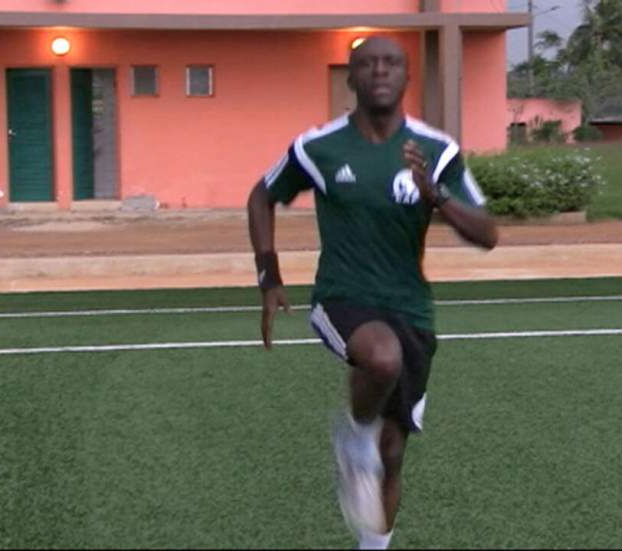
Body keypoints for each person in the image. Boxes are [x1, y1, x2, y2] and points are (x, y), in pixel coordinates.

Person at [246, 36, 498, 550]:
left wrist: (437, 196)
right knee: (380, 361)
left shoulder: (436, 150)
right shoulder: (318, 146)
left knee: (393, 454)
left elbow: (487, 234)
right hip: (341, 299)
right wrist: (268, 276)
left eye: (391, 63)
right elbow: (261, 194)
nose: (379, 71)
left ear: (407, 77)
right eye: (367, 64)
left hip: (412, 310)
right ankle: (353, 436)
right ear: (351, 78)